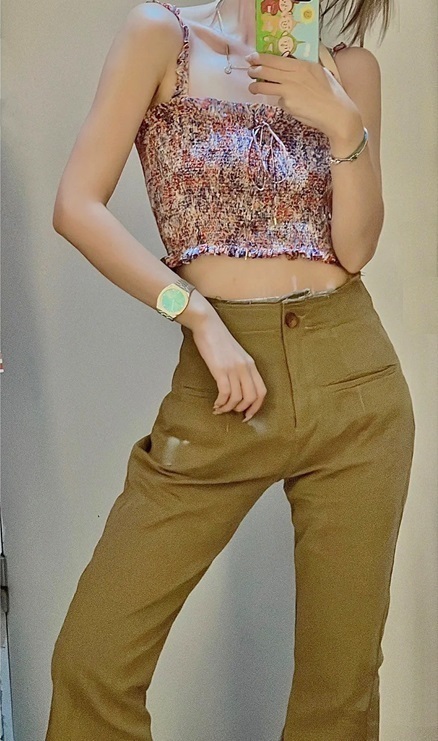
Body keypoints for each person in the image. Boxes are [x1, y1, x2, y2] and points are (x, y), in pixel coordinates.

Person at [45, 0, 416, 739]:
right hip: (224, 381)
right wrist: (196, 315)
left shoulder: (350, 69)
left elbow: (355, 249)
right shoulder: (163, 36)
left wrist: (344, 126)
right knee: (94, 659)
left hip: (354, 382)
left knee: (340, 692)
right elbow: (76, 207)